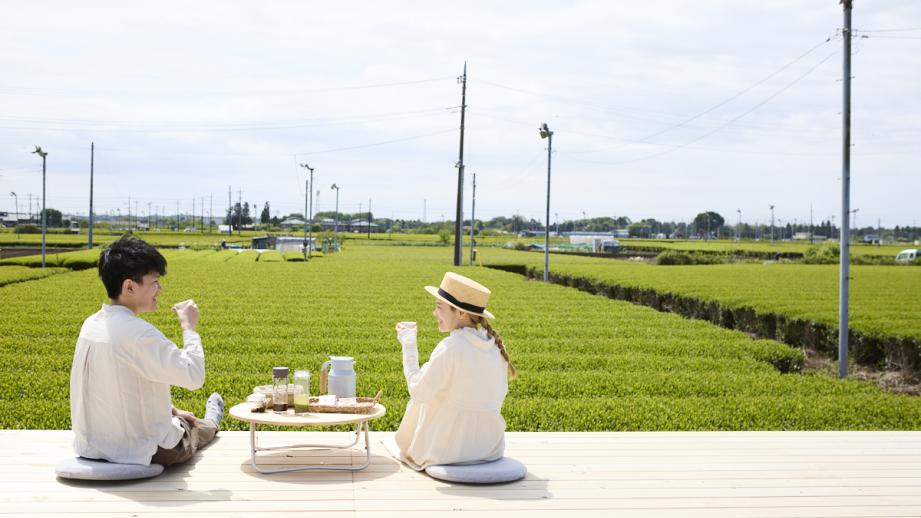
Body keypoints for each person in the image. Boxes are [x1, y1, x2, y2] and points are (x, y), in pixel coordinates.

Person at [69, 235, 224, 467]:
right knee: (193, 429)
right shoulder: (139, 334)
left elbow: (119, 385)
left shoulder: (90, 324)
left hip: (91, 446)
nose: (159, 289)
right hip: (143, 450)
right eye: (154, 282)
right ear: (129, 286)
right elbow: (194, 376)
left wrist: (170, 410)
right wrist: (189, 327)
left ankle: (185, 417)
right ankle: (212, 418)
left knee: (179, 417)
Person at [391, 272, 517, 470]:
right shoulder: (495, 348)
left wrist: (408, 345)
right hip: (489, 449)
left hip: (447, 451)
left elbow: (418, 392)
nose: (434, 313)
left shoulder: (451, 347)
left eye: (439, 307)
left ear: (460, 313)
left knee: (422, 395)